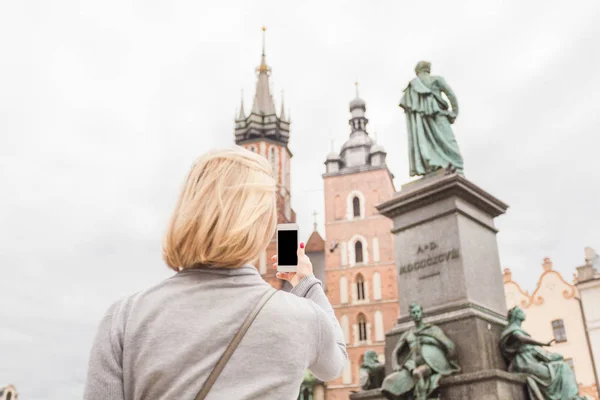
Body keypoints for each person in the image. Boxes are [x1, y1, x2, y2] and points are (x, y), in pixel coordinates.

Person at [83, 147, 347, 399]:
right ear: (263, 225)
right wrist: (308, 284)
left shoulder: (125, 318)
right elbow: (335, 364)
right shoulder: (302, 317)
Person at [500, 306, 584, 400]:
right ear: (516, 315)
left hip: (531, 360)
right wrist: (544, 343)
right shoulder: (513, 329)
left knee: (562, 366)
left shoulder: (519, 330)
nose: (524, 314)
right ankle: (570, 398)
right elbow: (521, 338)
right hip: (524, 363)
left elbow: (536, 350)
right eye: (521, 312)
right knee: (561, 368)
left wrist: (552, 356)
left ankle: (571, 396)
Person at [382, 303, 459, 400]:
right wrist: (395, 365)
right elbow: (395, 351)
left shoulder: (432, 330)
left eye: (418, 312)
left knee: (417, 373)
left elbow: (448, 345)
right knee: (388, 382)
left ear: (422, 313)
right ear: (411, 316)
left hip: (429, 365)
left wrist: (431, 341)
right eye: (413, 313)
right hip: (412, 366)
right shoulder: (408, 334)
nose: (416, 314)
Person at [399, 61, 464, 176]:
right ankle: (455, 167)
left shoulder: (412, 86)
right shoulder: (436, 79)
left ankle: (430, 166)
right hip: (439, 116)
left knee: (427, 143)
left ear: (417, 72)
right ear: (428, 69)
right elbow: (451, 95)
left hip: (421, 123)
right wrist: (454, 113)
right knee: (449, 142)